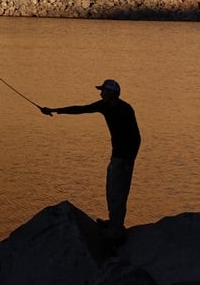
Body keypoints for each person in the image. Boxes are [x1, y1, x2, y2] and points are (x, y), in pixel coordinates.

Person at [40, 79, 141, 244]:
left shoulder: (125, 109)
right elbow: (81, 109)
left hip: (124, 159)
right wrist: (55, 110)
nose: (101, 94)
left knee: (119, 193)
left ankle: (116, 232)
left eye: (104, 91)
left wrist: (130, 161)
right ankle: (114, 223)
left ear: (113, 93)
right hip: (116, 157)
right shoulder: (104, 106)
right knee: (111, 191)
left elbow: (136, 138)